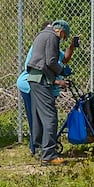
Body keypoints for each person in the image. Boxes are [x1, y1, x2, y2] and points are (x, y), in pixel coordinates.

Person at [24, 20, 72, 165]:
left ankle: (39, 148)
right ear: (61, 31)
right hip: (41, 80)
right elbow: (51, 61)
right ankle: (49, 155)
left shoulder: (42, 34)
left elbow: (43, 61)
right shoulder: (52, 37)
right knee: (50, 117)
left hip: (34, 79)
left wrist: (55, 78)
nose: (62, 39)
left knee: (38, 116)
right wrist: (62, 71)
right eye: (64, 36)